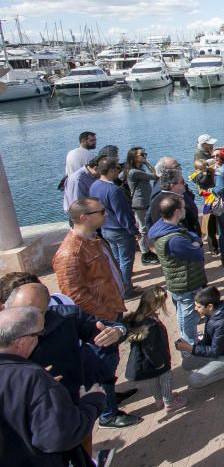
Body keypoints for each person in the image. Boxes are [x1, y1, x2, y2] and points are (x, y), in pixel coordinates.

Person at [52, 197, 140, 429]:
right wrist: (106, 315)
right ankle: (108, 412)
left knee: (110, 360)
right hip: (100, 320)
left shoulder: (93, 239)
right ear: (84, 217)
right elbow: (75, 295)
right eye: (101, 212)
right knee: (102, 363)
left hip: (111, 310)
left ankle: (110, 396)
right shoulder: (69, 253)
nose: (106, 215)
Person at [0, 306, 107, 467]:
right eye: (38, 334)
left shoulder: (27, 377)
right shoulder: (33, 377)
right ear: (23, 341)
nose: (39, 338)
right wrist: (93, 400)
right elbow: (60, 436)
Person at [149, 194, 207, 345]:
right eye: (182, 208)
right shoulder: (174, 239)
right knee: (190, 313)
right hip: (186, 281)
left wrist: (194, 241)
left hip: (177, 280)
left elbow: (192, 235)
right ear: (176, 212)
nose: (184, 210)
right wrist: (197, 244)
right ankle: (190, 342)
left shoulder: (164, 228)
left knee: (182, 310)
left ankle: (187, 337)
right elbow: (197, 252)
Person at [123, 287, 187, 414]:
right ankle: (169, 403)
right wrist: (159, 363)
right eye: (161, 302)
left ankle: (159, 400)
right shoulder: (150, 324)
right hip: (155, 358)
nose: (162, 305)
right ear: (154, 304)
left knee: (152, 379)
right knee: (166, 377)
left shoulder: (138, 318)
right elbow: (150, 347)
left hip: (144, 361)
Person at [175, 286, 224, 393]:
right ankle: (217, 367)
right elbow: (208, 340)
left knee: (194, 380)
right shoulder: (214, 313)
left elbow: (214, 351)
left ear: (209, 306)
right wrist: (194, 347)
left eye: (198, 307)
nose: (195, 309)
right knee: (187, 364)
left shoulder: (222, 323)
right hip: (221, 350)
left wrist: (190, 348)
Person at [89, 157, 140, 297]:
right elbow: (122, 214)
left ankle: (119, 286)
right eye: (117, 169)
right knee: (126, 260)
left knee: (116, 260)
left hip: (106, 229)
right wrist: (134, 231)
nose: (118, 172)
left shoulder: (94, 186)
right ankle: (127, 290)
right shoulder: (114, 190)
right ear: (111, 170)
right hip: (120, 231)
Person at [124, 146, 159, 265]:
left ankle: (147, 251)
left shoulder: (135, 171)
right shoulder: (134, 172)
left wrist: (145, 162)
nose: (145, 156)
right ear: (134, 157)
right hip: (140, 204)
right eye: (142, 155)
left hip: (145, 202)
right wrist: (147, 163)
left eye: (145, 154)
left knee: (146, 227)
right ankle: (145, 254)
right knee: (143, 229)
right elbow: (155, 176)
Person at [63, 155, 100, 220]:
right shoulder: (77, 180)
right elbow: (77, 206)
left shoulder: (94, 175)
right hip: (81, 219)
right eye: (103, 171)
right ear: (96, 168)